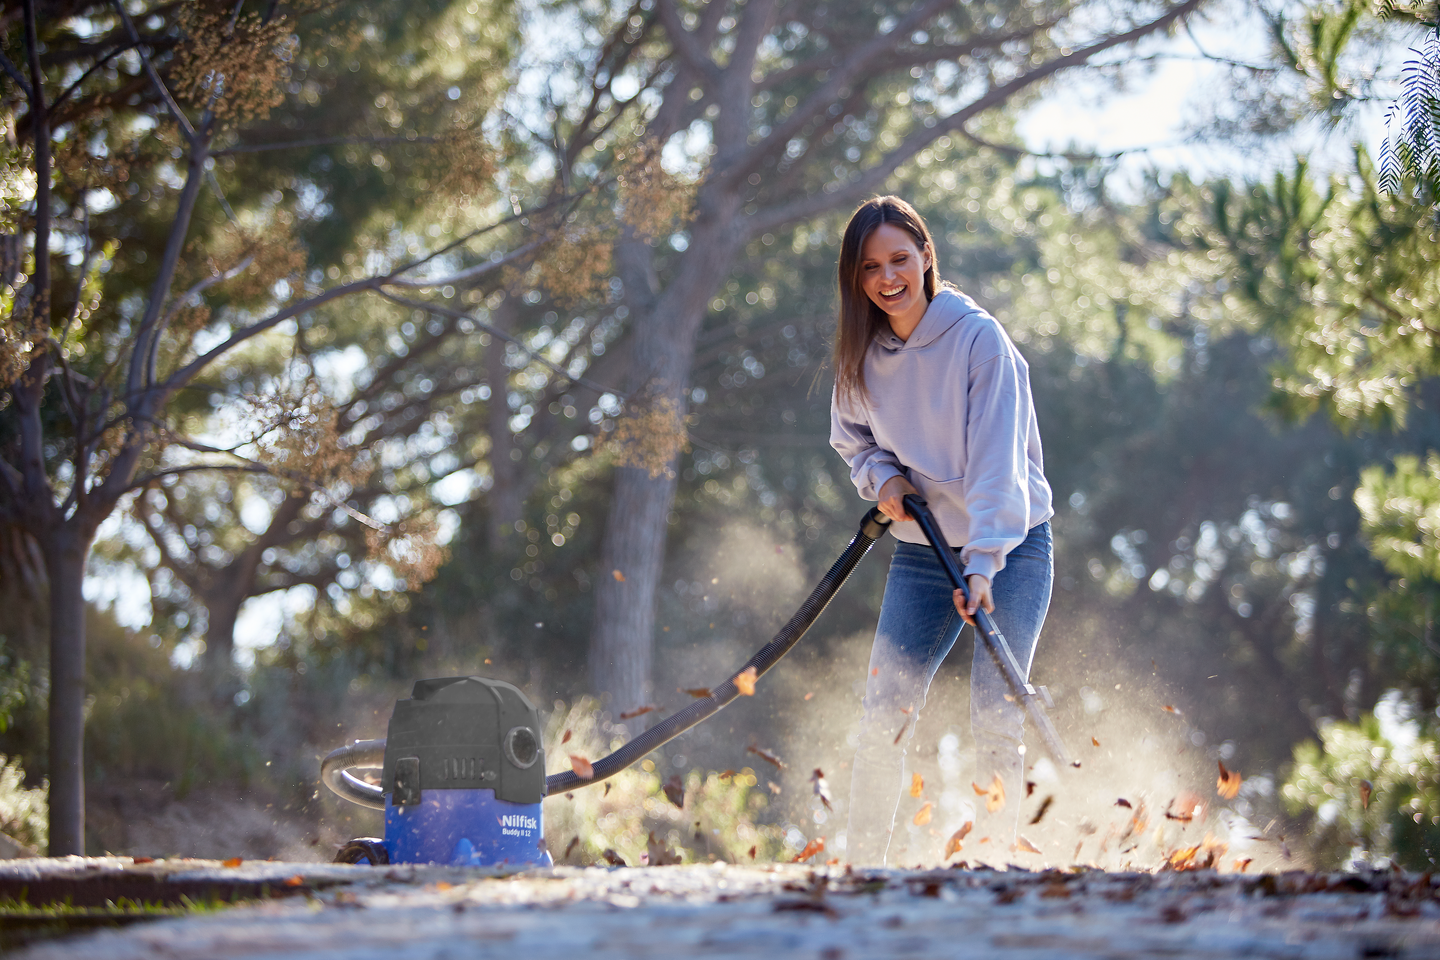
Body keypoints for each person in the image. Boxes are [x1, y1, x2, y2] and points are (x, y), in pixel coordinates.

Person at [829, 195, 1054, 864]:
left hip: (1010, 546)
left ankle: (993, 865)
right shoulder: (861, 352)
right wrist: (883, 480)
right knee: (884, 711)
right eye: (871, 268)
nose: (888, 278)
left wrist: (982, 564)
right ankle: (862, 869)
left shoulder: (980, 341)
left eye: (900, 259)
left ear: (926, 256)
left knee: (995, 708)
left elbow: (996, 466)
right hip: (924, 551)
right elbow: (853, 439)